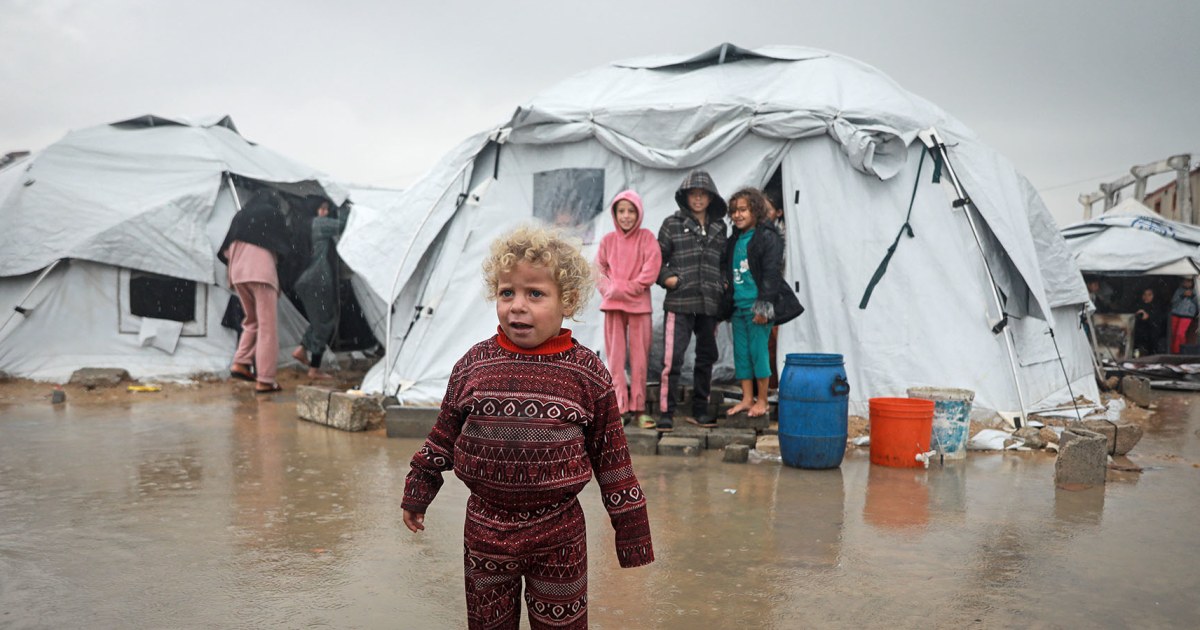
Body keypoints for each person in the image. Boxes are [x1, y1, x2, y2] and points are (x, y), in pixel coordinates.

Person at [401, 225, 654, 629]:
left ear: (566, 300)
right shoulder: (473, 366)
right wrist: (419, 490)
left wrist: (632, 533)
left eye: (535, 293)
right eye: (507, 293)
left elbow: (613, 460)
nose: (517, 306)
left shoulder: (587, 373)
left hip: (559, 533)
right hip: (485, 528)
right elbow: (442, 437)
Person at [721, 188, 804, 418]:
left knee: (759, 352)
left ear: (756, 211)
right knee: (742, 354)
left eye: (743, 210)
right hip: (738, 307)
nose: (738, 215)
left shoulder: (768, 237)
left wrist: (764, 307)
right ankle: (747, 399)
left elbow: (771, 275)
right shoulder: (733, 241)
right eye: (734, 211)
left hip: (758, 308)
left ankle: (763, 400)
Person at [656, 170, 728, 431]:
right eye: (693, 194)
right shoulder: (671, 223)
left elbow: (723, 263)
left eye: (703, 194)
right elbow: (656, 259)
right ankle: (666, 412)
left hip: (709, 302)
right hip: (680, 302)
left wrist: (722, 284)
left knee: (706, 357)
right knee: (672, 359)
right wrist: (668, 279)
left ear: (710, 198)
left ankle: (701, 410)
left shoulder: (720, 227)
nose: (698, 199)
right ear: (685, 197)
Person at [595, 190, 662, 429]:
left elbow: (651, 270)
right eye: (621, 211)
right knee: (615, 358)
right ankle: (619, 408)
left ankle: (639, 408)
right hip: (613, 305)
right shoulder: (607, 241)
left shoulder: (647, 238)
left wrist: (625, 288)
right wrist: (609, 290)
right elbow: (599, 271)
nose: (626, 216)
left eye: (631, 211)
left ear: (638, 213)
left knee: (640, 358)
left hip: (639, 306)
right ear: (614, 213)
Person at [218, 190, 291, 393]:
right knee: (268, 327)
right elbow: (284, 246)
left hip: (237, 273)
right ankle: (266, 379)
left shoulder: (241, 215)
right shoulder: (271, 214)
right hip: (260, 273)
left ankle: (240, 362)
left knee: (251, 321)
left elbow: (225, 251)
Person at [292, 199, 345, 379]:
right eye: (321, 208)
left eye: (327, 209)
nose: (324, 212)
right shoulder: (319, 223)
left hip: (302, 279)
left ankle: (302, 349)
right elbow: (344, 224)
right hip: (317, 277)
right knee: (325, 322)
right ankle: (314, 369)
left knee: (318, 320)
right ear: (314, 209)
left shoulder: (302, 225)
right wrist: (345, 207)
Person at [1169, 277, 1199, 353]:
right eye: (1186, 281)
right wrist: (1182, 295)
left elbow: (1198, 303)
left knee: (1180, 334)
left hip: (1188, 315)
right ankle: (1172, 351)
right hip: (1175, 313)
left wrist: (1192, 296)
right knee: (1173, 334)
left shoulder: (1196, 291)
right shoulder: (1179, 290)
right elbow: (1173, 302)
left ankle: (1180, 351)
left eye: (1189, 281)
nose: (1187, 283)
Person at [1133, 288, 1164, 357]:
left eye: (1149, 295)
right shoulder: (1137, 305)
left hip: (1151, 339)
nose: (1146, 297)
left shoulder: (1157, 307)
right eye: (1144, 294)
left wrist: (1148, 317)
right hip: (1138, 338)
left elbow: (1158, 322)